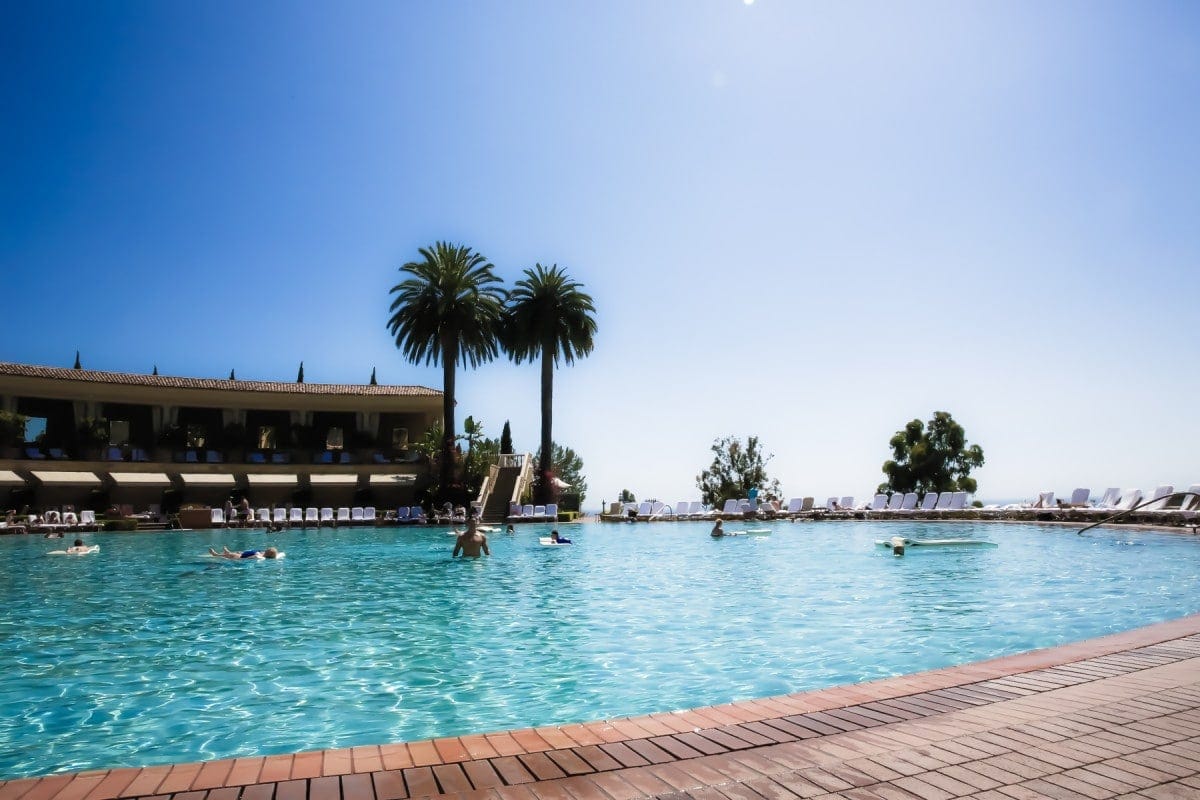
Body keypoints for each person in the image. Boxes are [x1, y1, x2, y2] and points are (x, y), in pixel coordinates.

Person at [209, 545, 279, 560]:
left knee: (230, 555)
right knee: (233, 552)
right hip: (242, 553)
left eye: (268, 549)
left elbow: (250, 557)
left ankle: (216, 555)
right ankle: (227, 552)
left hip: (241, 557)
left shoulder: (261, 557)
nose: (267, 549)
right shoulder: (263, 553)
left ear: (268, 553)